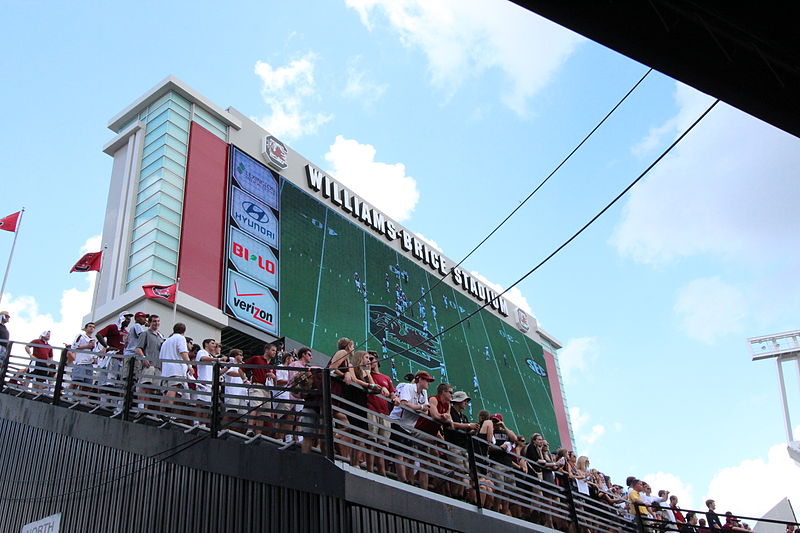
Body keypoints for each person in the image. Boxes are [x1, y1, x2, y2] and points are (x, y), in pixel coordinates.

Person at [389, 370, 434, 485]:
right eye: (427, 380)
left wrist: (419, 408)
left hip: (409, 426)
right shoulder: (408, 387)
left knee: (407, 454)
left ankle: (408, 480)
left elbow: (425, 412)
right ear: (420, 380)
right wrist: (420, 407)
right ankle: (403, 480)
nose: (429, 383)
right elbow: (404, 403)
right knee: (399, 452)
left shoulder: (424, 392)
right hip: (398, 422)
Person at [365, 351, 397, 476]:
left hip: (385, 412)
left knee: (382, 444)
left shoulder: (386, 378)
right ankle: (370, 469)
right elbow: (373, 386)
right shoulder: (366, 374)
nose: (369, 361)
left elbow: (392, 392)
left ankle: (382, 471)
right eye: (367, 358)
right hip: (372, 408)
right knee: (372, 440)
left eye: (371, 358)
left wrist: (395, 398)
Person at [442, 391, 478, 500]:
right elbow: (451, 424)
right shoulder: (451, 412)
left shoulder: (464, 416)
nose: (466, 403)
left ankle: (458, 494)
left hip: (463, 446)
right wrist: (468, 426)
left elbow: (464, 430)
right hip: (453, 445)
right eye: (464, 401)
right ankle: (453, 494)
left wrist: (472, 431)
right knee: (459, 471)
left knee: (464, 473)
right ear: (458, 401)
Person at [96, 312, 132, 408]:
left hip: (122, 359)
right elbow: (99, 334)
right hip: (112, 357)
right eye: (127, 318)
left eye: (129, 319)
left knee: (118, 384)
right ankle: (102, 404)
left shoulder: (127, 333)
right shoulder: (113, 327)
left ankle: (114, 405)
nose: (128, 321)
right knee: (107, 382)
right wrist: (107, 346)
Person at [244, 343, 279, 434]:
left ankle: (258, 434)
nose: (274, 352)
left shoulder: (272, 365)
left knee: (263, 414)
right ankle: (250, 430)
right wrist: (245, 380)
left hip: (267, 390)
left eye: (275, 351)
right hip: (257, 386)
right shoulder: (257, 358)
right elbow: (241, 368)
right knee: (255, 408)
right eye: (273, 350)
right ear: (266, 350)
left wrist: (274, 377)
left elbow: (275, 385)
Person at [159, 323, 190, 417]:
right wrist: (190, 365)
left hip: (165, 370)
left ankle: (161, 413)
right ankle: (168, 413)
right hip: (176, 369)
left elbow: (160, 358)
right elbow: (183, 353)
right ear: (184, 331)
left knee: (165, 392)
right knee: (173, 389)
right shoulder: (180, 338)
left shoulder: (166, 341)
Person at [134, 314, 164, 412]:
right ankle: (141, 407)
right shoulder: (145, 334)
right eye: (154, 321)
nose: (156, 323)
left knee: (152, 390)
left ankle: (146, 409)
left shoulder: (161, 336)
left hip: (158, 366)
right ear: (150, 322)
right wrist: (143, 358)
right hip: (149, 365)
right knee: (145, 386)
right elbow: (138, 348)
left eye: (158, 321)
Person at [70, 322, 104, 397]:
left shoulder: (93, 340)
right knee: (76, 381)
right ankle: (68, 395)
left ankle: (80, 399)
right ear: (86, 328)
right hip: (80, 362)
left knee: (87, 385)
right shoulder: (80, 336)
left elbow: (95, 351)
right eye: (90, 326)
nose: (91, 328)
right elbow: (73, 347)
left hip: (89, 363)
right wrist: (86, 346)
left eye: (93, 327)